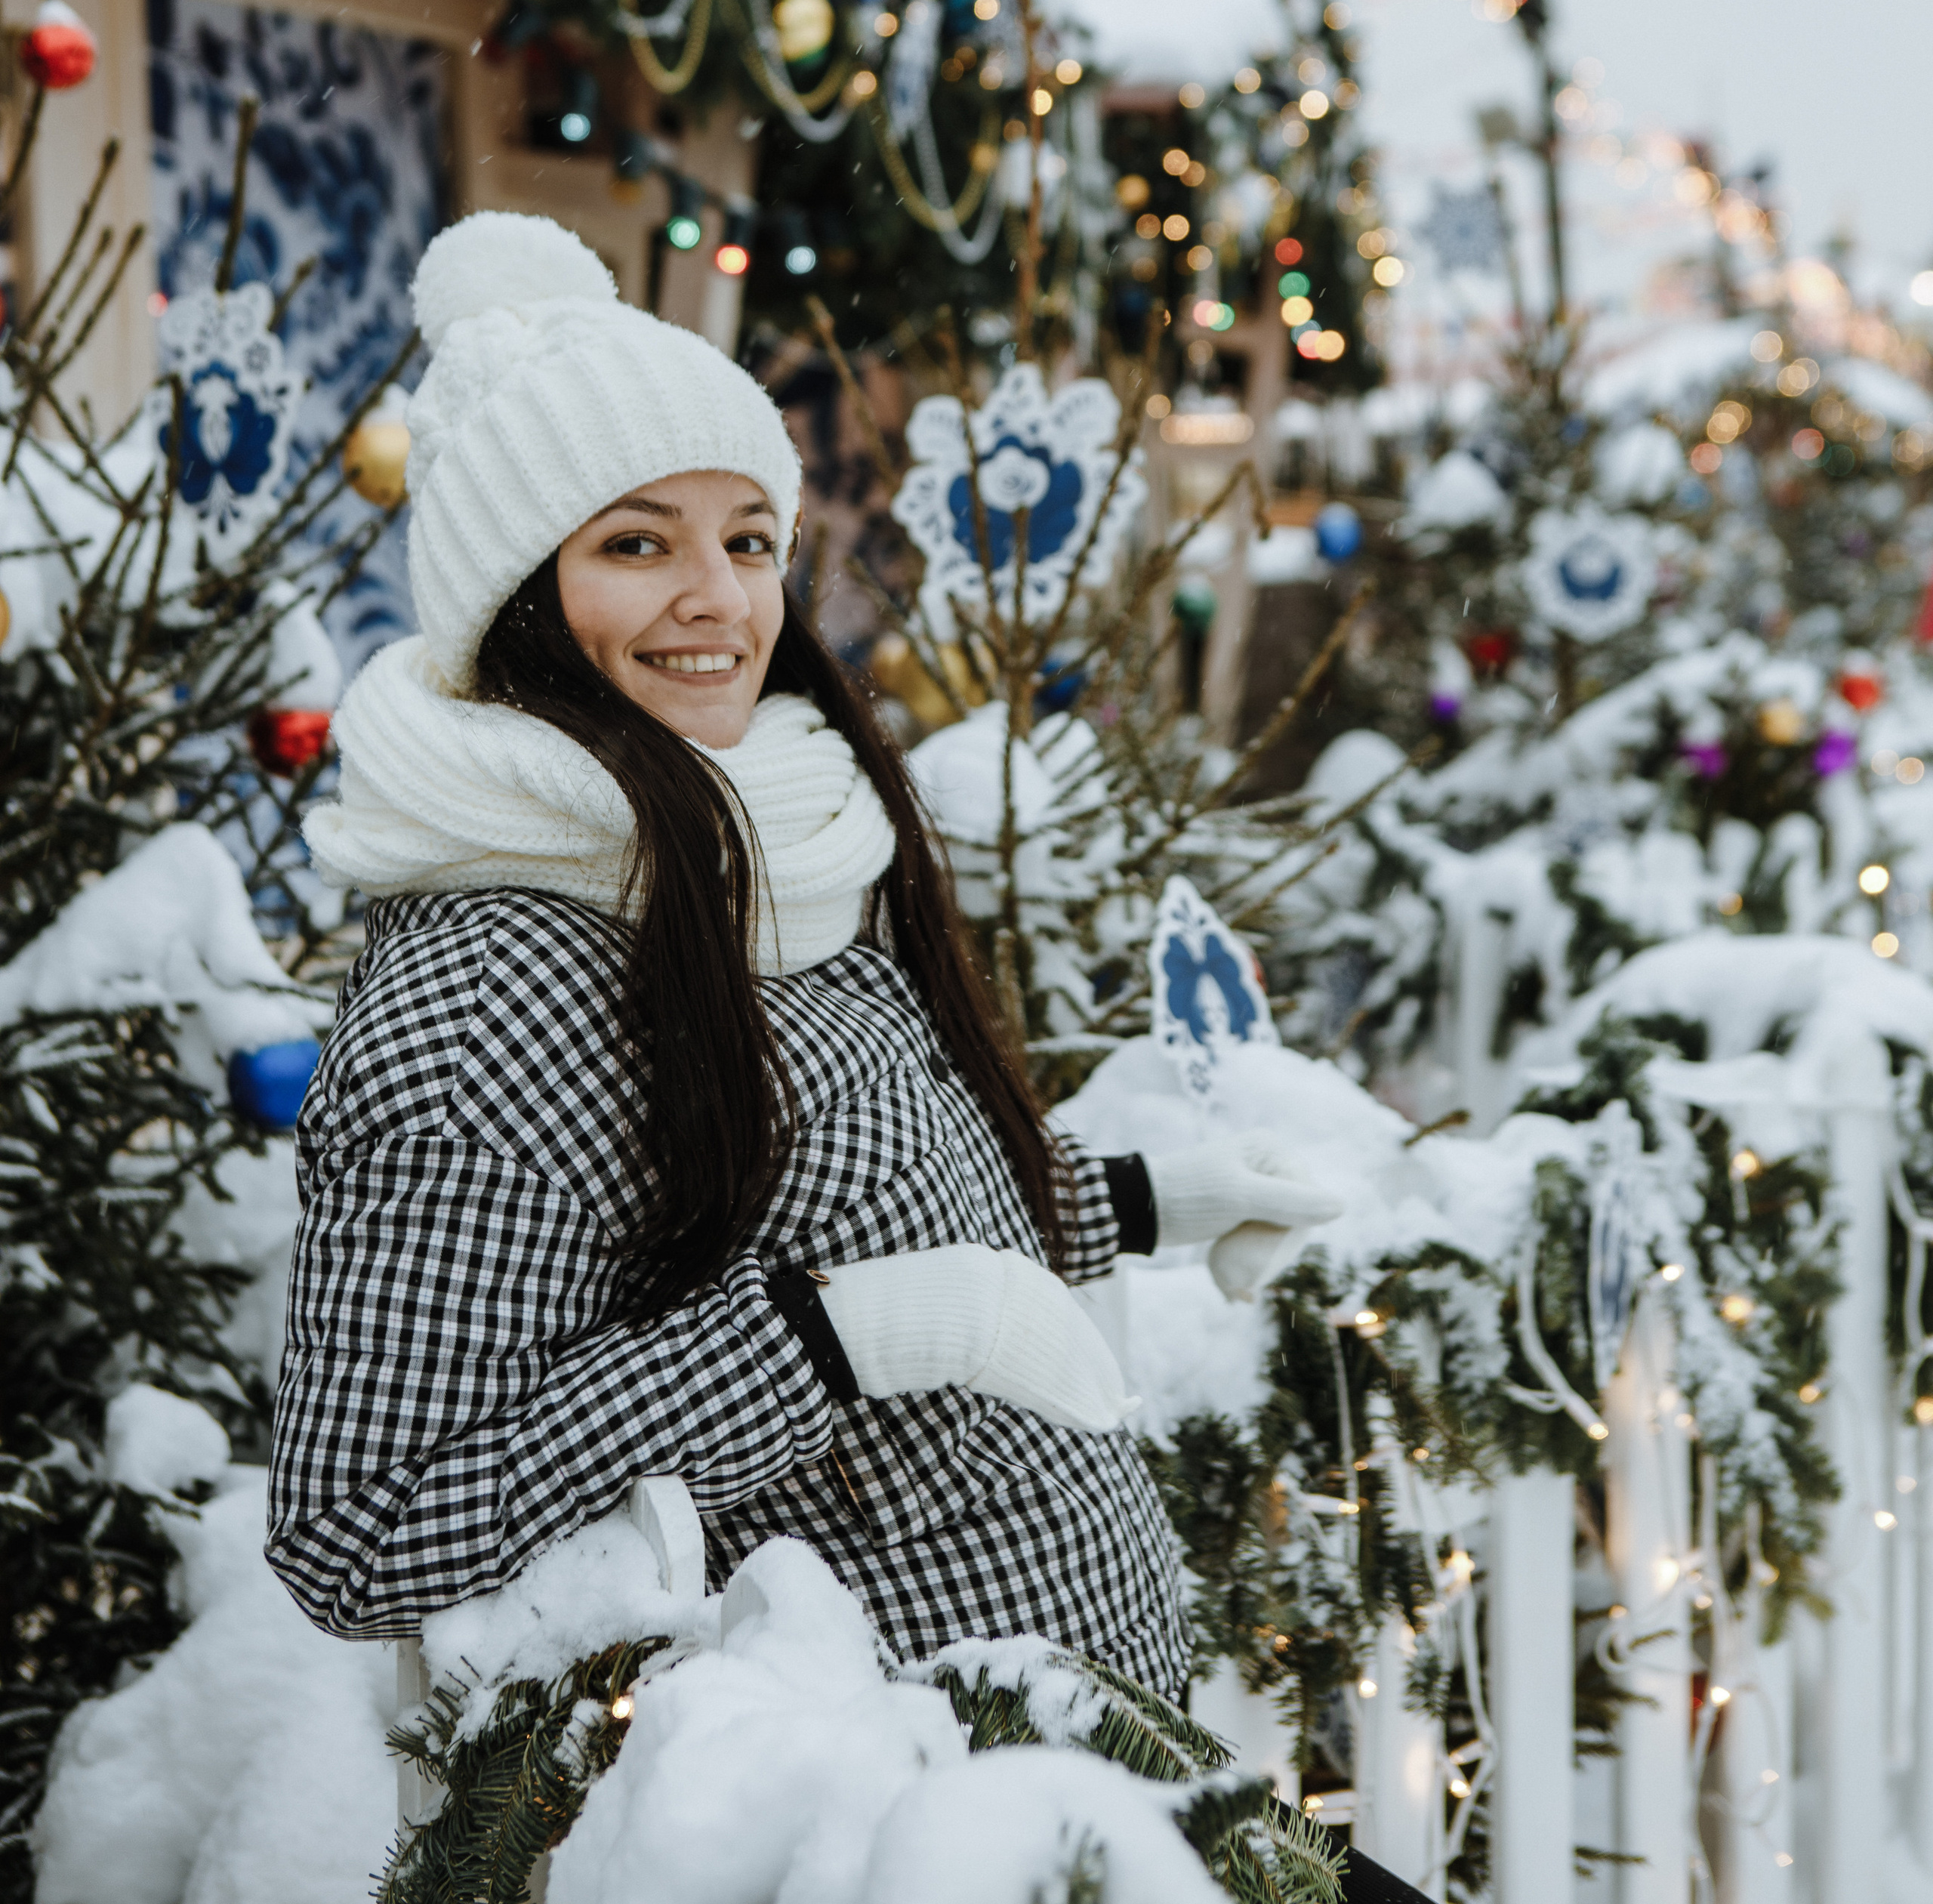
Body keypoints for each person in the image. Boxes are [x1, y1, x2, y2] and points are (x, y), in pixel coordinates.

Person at [267, 213, 1336, 1696]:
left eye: (747, 538)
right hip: (880, 1827)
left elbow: (831, 1198)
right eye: (636, 541)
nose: (721, 598)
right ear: (511, 593)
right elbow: (362, 1532)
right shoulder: (488, 992)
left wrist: (1140, 1203)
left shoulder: (776, 840)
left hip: (1088, 1746)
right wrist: (838, 1344)